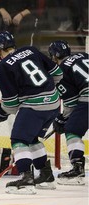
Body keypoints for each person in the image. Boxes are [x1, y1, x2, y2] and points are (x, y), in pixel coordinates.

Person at [0, 31, 63, 194]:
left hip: (34, 107)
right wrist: (46, 91)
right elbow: (58, 74)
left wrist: (0, 112)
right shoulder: (31, 50)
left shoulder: (2, 67)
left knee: (18, 139)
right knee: (31, 139)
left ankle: (26, 180)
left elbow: (11, 104)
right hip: (54, 104)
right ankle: (46, 176)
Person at [48, 40, 88, 185]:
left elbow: (71, 102)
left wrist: (63, 118)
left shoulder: (62, 69)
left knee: (72, 131)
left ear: (53, 56)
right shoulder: (84, 55)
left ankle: (77, 169)